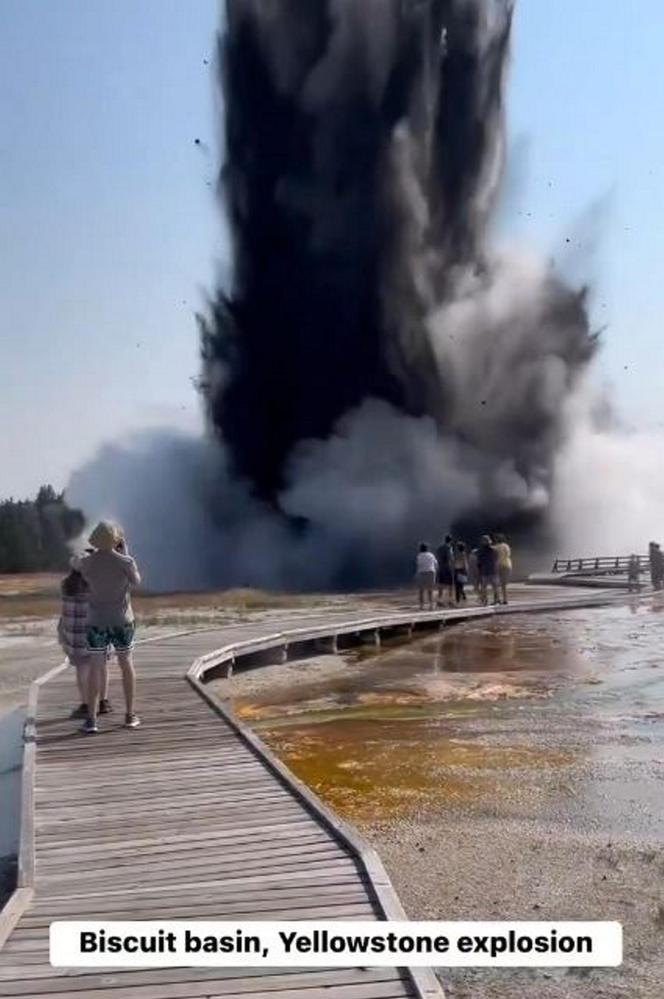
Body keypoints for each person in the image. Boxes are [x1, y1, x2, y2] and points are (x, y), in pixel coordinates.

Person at [72, 521, 141, 733]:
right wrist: (124, 552)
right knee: (126, 664)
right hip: (121, 619)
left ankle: (91, 720)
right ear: (116, 540)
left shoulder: (86, 563)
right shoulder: (126, 561)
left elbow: (75, 561)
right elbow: (136, 581)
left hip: (96, 621)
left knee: (96, 667)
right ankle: (129, 715)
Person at [57, 563, 111, 719]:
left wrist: (63, 636)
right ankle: (103, 702)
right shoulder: (97, 587)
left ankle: (86, 704)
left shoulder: (67, 587)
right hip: (97, 635)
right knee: (101, 667)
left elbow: (64, 616)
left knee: (82, 669)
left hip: (76, 638)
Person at [476, 534, 498, 606]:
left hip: (485, 571)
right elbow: (496, 559)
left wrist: (479, 571)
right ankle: (495, 600)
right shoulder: (493, 550)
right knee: (494, 586)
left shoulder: (480, 551)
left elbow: (479, 562)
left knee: (484, 587)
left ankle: (485, 601)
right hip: (492, 570)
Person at [416, 543, 438, 610]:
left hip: (422, 572)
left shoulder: (419, 556)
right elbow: (436, 564)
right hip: (431, 572)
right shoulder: (431, 555)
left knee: (421, 590)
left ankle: (421, 605)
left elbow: (419, 565)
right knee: (430, 590)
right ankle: (431, 605)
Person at [493, 533, 512, 605]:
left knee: (496, 583)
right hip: (507, 565)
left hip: (498, 565)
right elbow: (509, 554)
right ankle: (505, 599)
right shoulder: (506, 546)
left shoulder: (495, 547)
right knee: (504, 584)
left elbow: (494, 556)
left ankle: (497, 599)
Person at [436, 534, 455, 607]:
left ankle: (439, 600)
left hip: (441, 567)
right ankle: (450, 601)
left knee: (441, 585)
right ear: (451, 541)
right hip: (447, 567)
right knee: (450, 585)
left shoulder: (440, 548)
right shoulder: (449, 548)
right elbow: (450, 558)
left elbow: (438, 557)